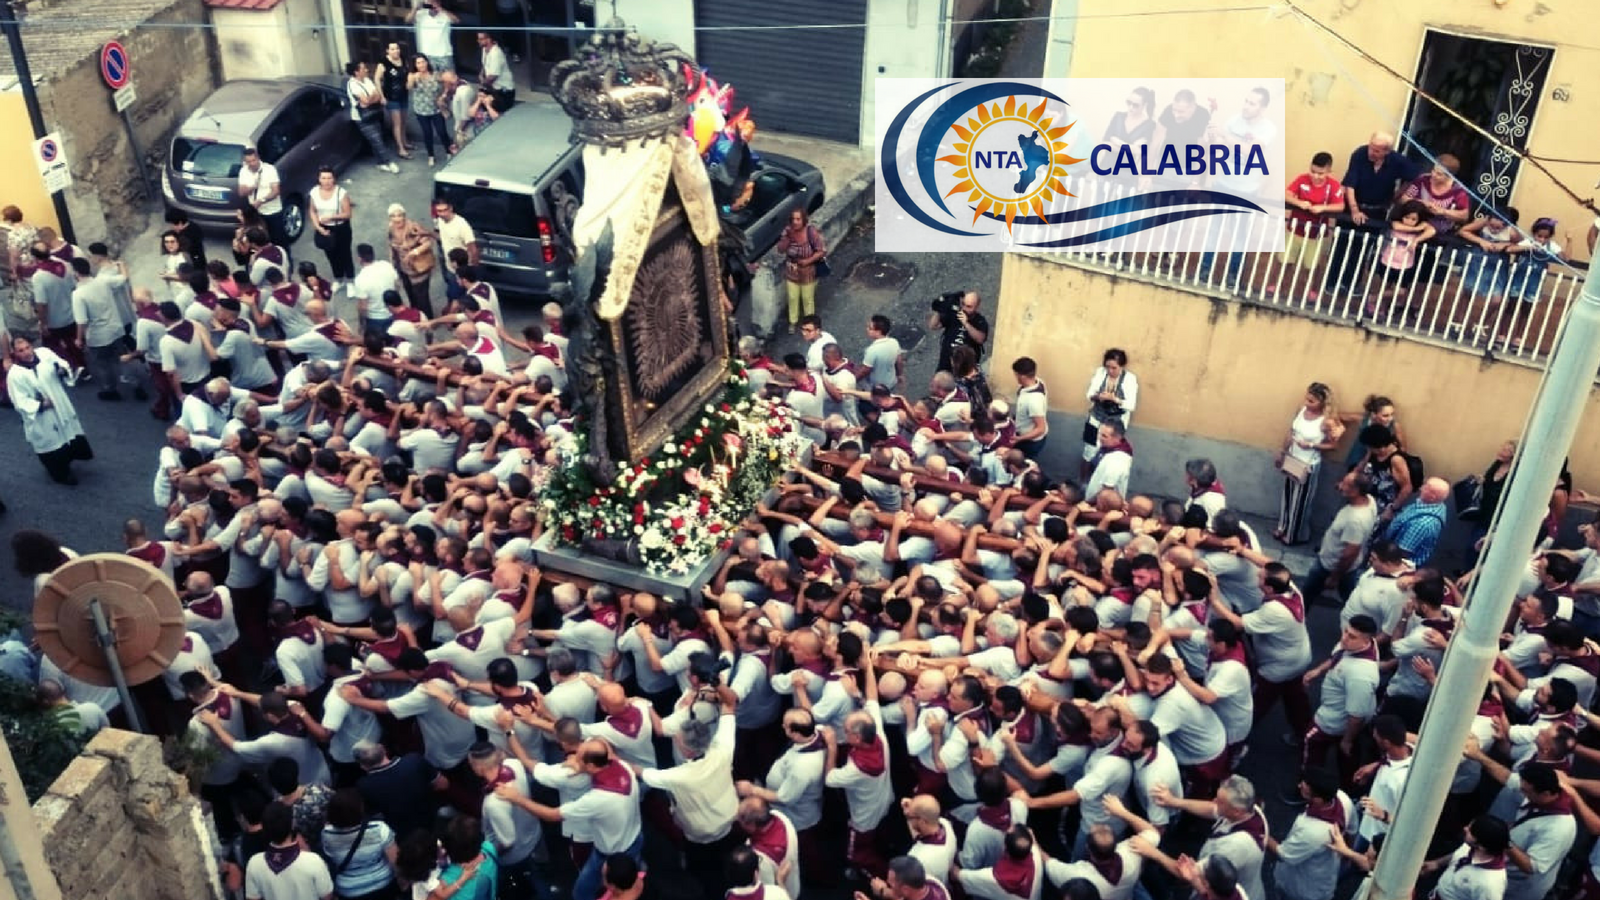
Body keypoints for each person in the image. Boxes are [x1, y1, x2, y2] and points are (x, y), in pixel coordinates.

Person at [1327, 132, 1420, 296]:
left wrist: (1397, 196)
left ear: (1387, 151)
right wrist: (1355, 210)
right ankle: (1332, 283)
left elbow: (1415, 176)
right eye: (1371, 147)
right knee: (1340, 245)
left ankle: (1352, 284)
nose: (1371, 152)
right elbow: (1350, 184)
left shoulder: (1397, 161)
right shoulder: (1360, 154)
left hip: (1376, 211)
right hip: (1353, 207)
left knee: (1362, 249)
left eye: (1377, 150)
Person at [8, 335, 91, 484]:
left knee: (66, 434)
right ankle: (61, 474)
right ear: (14, 353)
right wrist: (40, 405)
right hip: (41, 415)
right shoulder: (15, 375)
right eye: (20, 351)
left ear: (32, 346)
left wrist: (62, 371)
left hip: (59, 403)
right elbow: (19, 401)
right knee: (50, 441)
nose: (26, 353)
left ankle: (69, 460)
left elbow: (61, 364)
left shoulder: (45, 353)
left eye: (27, 348)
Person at [1273, 381, 1344, 545]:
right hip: (1292, 458)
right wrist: (1282, 452)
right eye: (1307, 398)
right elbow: (1291, 432)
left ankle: (1293, 534)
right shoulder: (1301, 410)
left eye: (1312, 401)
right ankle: (1283, 526)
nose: (1307, 403)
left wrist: (1311, 445)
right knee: (1288, 496)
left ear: (1322, 402)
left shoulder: (1326, 421)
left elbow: (1334, 445)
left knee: (1301, 502)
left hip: (1308, 464)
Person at [1271, 151, 1344, 300]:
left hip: (1315, 234)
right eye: (1313, 171)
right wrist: (1299, 203)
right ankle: (1278, 285)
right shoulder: (1302, 179)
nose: (1315, 176)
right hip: (1294, 229)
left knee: (1312, 266)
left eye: (1320, 173)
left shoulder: (1333, 185)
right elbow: (1285, 194)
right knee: (1284, 260)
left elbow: (1340, 206)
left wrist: (1322, 208)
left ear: (1329, 170)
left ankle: (1311, 290)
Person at [246, 803, 334, 900]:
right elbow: (327, 896)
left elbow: (252, 898)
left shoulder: (254, 863)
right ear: (292, 824)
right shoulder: (313, 861)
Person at [69, 256, 127, 401]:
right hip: (116, 327)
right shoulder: (103, 281)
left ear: (76, 273)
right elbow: (123, 278)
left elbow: (81, 320)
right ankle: (131, 381)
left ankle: (110, 389)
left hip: (99, 335)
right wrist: (121, 265)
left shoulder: (78, 294)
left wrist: (78, 338)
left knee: (101, 364)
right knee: (117, 358)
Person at [775, 208, 826, 333]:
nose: (795, 222)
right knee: (792, 298)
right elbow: (780, 250)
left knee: (807, 299)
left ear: (803, 220)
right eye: (793, 219)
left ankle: (810, 324)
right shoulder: (787, 231)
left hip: (808, 271)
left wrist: (807, 261)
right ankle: (793, 322)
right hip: (792, 271)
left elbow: (822, 251)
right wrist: (788, 237)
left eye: (798, 219)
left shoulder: (811, 232)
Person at [347, 61, 401, 175]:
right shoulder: (352, 84)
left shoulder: (367, 80)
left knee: (377, 138)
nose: (366, 70)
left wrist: (369, 99)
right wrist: (371, 98)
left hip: (373, 113)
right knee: (377, 140)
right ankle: (389, 162)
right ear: (356, 72)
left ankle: (380, 163)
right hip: (362, 118)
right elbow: (365, 101)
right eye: (363, 68)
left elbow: (375, 97)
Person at [308, 168, 356, 290]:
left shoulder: (341, 193)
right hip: (324, 228)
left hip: (341, 227)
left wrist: (331, 217)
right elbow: (312, 211)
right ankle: (338, 278)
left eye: (329, 178)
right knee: (331, 254)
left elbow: (347, 214)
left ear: (334, 179)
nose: (326, 181)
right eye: (323, 178)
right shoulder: (314, 192)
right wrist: (318, 227)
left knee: (345, 253)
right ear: (319, 179)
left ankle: (350, 280)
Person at [238, 147, 288, 249]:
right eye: (248, 162)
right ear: (245, 161)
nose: (252, 164)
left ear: (258, 158)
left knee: (279, 240)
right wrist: (253, 187)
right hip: (256, 214)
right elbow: (241, 192)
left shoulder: (269, 169)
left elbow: (276, 191)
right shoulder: (243, 171)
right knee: (260, 240)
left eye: (253, 160)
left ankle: (285, 260)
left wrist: (261, 201)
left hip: (272, 212)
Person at [408, 56, 453, 167]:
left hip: (436, 109)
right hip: (421, 110)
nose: (421, 65)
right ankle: (431, 156)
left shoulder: (435, 74)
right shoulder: (413, 76)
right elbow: (409, 87)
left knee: (442, 132)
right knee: (427, 133)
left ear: (427, 62)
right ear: (415, 65)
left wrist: (444, 95)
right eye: (418, 63)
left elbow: (448, 80)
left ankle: (449, 151)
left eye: (423, 62)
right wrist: (413, 78)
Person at [928, 290, 988, 374]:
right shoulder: (954, 314)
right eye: (963, 304)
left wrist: (966, 324)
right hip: (945, 365)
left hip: (965, 369)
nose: (964, 308)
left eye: (969, 306)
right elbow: (933, 326)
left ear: (977, 307)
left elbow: (980, 339)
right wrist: (940, 310)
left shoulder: (980, 321)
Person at [375, 42, 413, 160]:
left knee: (404, 121)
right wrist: (382, 96)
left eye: (397, 48)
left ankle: (405, 141)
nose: (396, 51)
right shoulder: (383, 63)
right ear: (387, 51)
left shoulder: (403, 59)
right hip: (391, 97)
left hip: (403, 95)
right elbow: (377, 79)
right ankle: (400, 148)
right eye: (392, 49)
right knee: (397, 123)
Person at [432, 200, 477, 294]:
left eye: (445, 210)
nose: (442, 214)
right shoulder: (440, 220)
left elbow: (473, 249)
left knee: (457, 297)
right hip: (449, 267)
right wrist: (426, 233)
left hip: (460, 272)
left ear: (451, 208)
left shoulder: (461, 225)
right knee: (451, 292)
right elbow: (442, 237)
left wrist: (468, 271)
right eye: (439, 211)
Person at [1010, 357, 1048, 459]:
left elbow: (1040, 428)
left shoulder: (1034, 400)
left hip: (1029, 442)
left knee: (1024, 464)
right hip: (1025, 436)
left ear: (1022, 376)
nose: (1015, 377)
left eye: (1016, 374)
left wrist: (1019, 439)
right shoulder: (1038, 382)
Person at [407, 0, 458, 74]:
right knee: (431, 79)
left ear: (439, 2)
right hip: (427, 54)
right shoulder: (421, 14)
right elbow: (408, 20)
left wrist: (441, 9)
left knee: (450, 79)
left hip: (444, 54)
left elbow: (456, 21)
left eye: (433, 2)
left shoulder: (444, 15)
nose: (431, 4)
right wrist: (415, 9)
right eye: (429, 2)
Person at [475, 33, 515, 112]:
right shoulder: (485, 49)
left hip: (503, 91)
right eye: (478, 39)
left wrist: (483, 83)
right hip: (492, 87)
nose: (478, 41)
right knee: (480, 98)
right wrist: (481, 74)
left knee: (485, 102)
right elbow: (484, 64)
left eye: (481, 39)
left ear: (489, 39)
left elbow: (492, 77)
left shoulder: (496, 54)